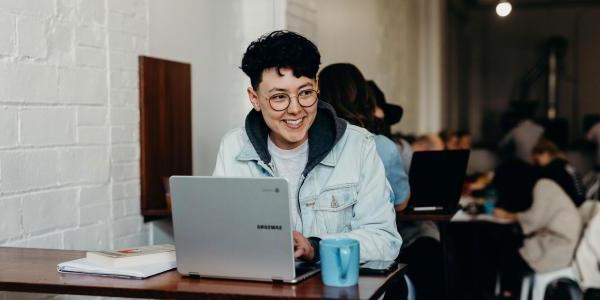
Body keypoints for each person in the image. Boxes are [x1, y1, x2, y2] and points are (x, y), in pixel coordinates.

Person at [213, 31, 401, 264]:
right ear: (254, 98)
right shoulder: (233, 147)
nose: (295, 109)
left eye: (305, 93)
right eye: (279, 97)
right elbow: (220, 236)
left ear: (317, 87)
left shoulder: (358, 145)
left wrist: (317, 248)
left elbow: (384, 240)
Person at [318, 63, 441, 300]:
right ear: (365, 98)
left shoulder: (308, 145)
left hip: (322, 254)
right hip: (369, 255)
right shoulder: (381, 145)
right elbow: (401, 203)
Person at [493, 161, 582, 299]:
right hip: (554, 239)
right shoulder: (541, 185)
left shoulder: (542, 186)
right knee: (511, 248)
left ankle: (508, 293)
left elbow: (534, 219)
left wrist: (511, 215)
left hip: (559, 246)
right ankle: (509, 291)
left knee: (512, 253)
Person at [531, 138, 586, 207]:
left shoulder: (552, 169)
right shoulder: (565, 164)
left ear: (547, 153)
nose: (536, 163)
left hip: (569, 205)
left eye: (537, 159)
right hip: (580, 203)